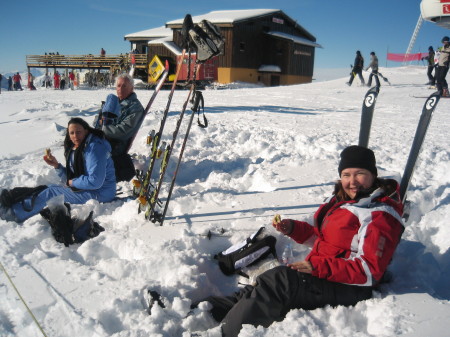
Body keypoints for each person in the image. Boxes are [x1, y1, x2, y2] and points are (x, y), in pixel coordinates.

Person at [194, 145, 404, 337]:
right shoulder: (347, 201)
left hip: (351, 287)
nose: (352, 181)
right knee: (268, 281)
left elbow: (368, 270)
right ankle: (210, 311)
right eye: (346, 174)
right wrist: (294, 229)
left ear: (373, 175)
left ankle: (225, 333)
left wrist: (317, 266)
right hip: (328, 273)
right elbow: (324, 239)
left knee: (281, 281)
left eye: (360, 174)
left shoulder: (379, 215)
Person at [0, 118, 116, 223]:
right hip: (92, 188)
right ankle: (14, 202)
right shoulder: (80, 147)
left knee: (51, 193)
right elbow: (72, 177)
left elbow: (95, 181)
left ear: (86, 131)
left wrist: (73, 182)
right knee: (49, 188)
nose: (75, 136)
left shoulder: (94, 148)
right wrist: (57, 166)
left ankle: (14, 214)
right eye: (72, 133)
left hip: (101, 192)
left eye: (78, 132)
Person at [100, 73, 144, 181]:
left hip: (116, 144)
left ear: (132, 88)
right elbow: (97, 122)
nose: (120, 89)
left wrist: (103, 129)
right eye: (118, 86)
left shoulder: (135, 107)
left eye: (124, 86)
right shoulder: (112, 103)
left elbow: (123, 131)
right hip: (104, 138)